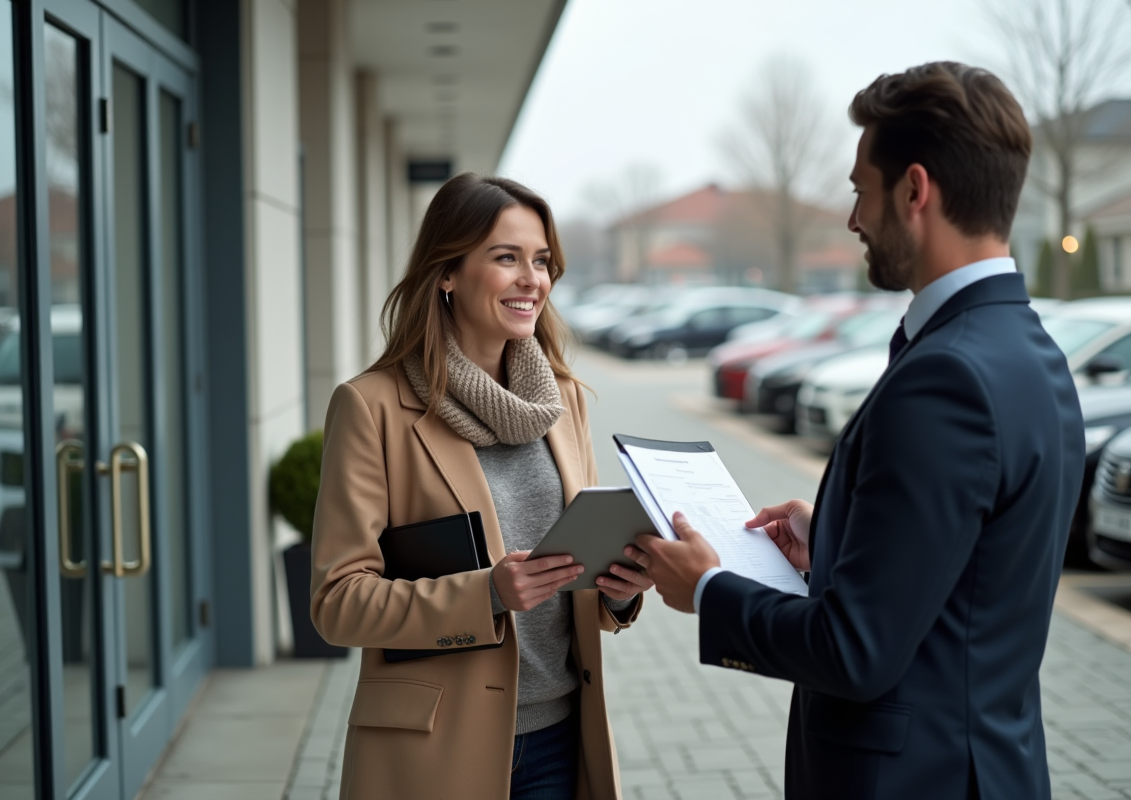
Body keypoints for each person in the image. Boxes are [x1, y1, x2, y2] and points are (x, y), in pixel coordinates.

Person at [629, 62, 1085, 799]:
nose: (851, 219)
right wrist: (837, 544)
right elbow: (968, 581)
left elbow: (854, 652)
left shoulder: (948, 378)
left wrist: (708, 588)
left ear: (914, 190)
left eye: (858, 191)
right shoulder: (1031, 352)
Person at [310, 173, 651, 800]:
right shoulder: (372, 407)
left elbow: (577, 576)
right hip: (435, 750)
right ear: (447, 272)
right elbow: (337, 602)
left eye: (542, 261)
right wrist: (486, 593)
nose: (533, 280)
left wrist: (620, 593)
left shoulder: (564, 398)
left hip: (561, 737)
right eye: (506, 258)